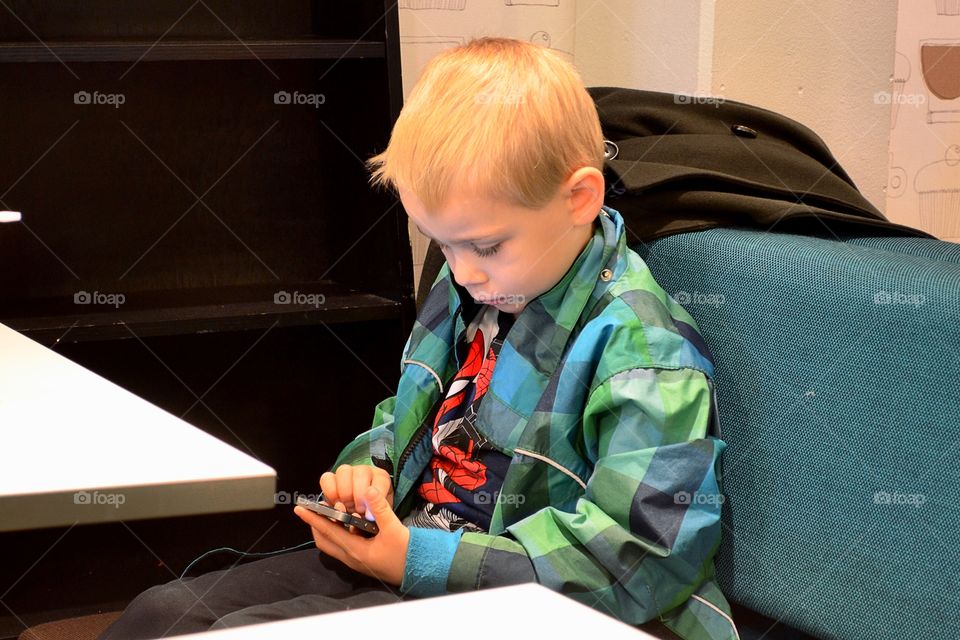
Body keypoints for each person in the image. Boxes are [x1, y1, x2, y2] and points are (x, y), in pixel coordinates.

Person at [100, 37, 737, 640]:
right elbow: (411, 420)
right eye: (444, 244)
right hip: (421, 547)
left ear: (579, 199)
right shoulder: (484, 288)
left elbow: (644, 558)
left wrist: (418, 561)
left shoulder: (644, 352)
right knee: (159, 613)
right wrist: (368, 474)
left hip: (541, 602)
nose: (462, 271)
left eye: (486, 244)